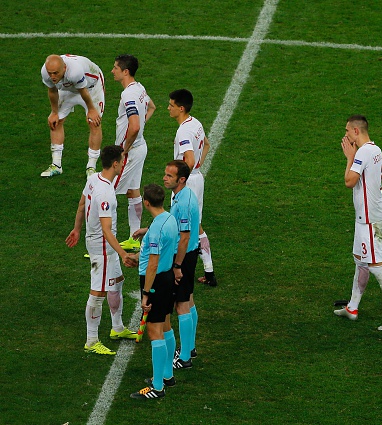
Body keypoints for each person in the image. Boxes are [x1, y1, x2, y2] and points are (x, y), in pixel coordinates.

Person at [333, 115, 382, 331]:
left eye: (348, 131)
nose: (346, 135)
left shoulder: (363, 152)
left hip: (370, 219)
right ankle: (353, 307)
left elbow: (349, 181)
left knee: (376, 266)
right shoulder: (375, 150)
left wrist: (349, 157)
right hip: (366, 217)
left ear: (356, 131)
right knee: (361, 261)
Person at [65, 145, 138, 356]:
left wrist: (77, 229)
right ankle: (91, 340)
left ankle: (117, 328)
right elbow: (107, 230)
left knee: (117, 281)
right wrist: (123, 253)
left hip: (95, 241)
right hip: (102, 247)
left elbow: (81, 205)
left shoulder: (93, 179)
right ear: (114, 164)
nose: (123, 163)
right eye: (122, 160)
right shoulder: (105, 192)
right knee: (98, 293)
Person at [127, 184, 179, 400]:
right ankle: (167, 375)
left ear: (146, 203)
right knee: (166, 325)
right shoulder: (169, 219)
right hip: (167, 278)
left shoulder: (156, 229)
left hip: (156, 281)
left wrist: (146, 293)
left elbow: (153, 265)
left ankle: (158, 387)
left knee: (154, 331)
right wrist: (139, 258)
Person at [168, 89, 217, 287]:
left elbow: (189, 158)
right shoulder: (195, 123)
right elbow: (206, 144)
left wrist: (180, 181)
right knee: (196, 226)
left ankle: (176, 269)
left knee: (179, 227)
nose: (168, 108)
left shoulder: (184, 131)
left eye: (171, 105)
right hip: (197, 179)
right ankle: (209, 271)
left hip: (187, 184)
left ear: (181, 108)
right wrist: (197, 168)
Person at [111, 54, 156, 251]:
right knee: (132, 191)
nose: (112, 71)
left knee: (106, 193)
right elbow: (152, 107)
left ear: (125, 71)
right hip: (140, 148)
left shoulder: (128, 94)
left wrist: (124, 150)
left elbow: (135, 126)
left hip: (129, 152)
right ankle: (134, 239)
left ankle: (106, 243)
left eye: (115, 68)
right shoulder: (139, 88)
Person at [162, 160, 200, 369]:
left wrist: (177, 266)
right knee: (189, 299)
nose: (165, 178)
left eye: (169, 176)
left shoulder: (183, 202)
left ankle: (184, 357)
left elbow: (184, 237)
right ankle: (190, 347)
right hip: (189, 254)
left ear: (181, 179)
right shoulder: (181, 195)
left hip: (183, 256)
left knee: (181, 305)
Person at [40, 54, 105, 178]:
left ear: (64, 68)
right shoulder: (46, 71)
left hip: (91, 87)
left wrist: (91, 109)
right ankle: (56, 165)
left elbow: (83, 91)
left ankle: (91, 167)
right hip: (67, 87)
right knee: (56, 121)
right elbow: (52, 90)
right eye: (50, 73)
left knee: (94, 121)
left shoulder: (74, 71)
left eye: (55, 73)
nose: (52, 77)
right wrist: (54, 112)